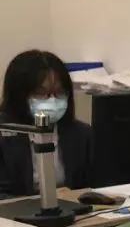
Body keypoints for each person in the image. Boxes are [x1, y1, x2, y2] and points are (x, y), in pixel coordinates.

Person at [0, 50, 92, 199]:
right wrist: (44, 199)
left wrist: (75, 196)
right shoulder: (4, 135)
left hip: (72, 209)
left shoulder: (82, 134)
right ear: (20, 95)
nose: (52, 100)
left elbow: (98, 187)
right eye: (41, 93)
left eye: (59, 92)